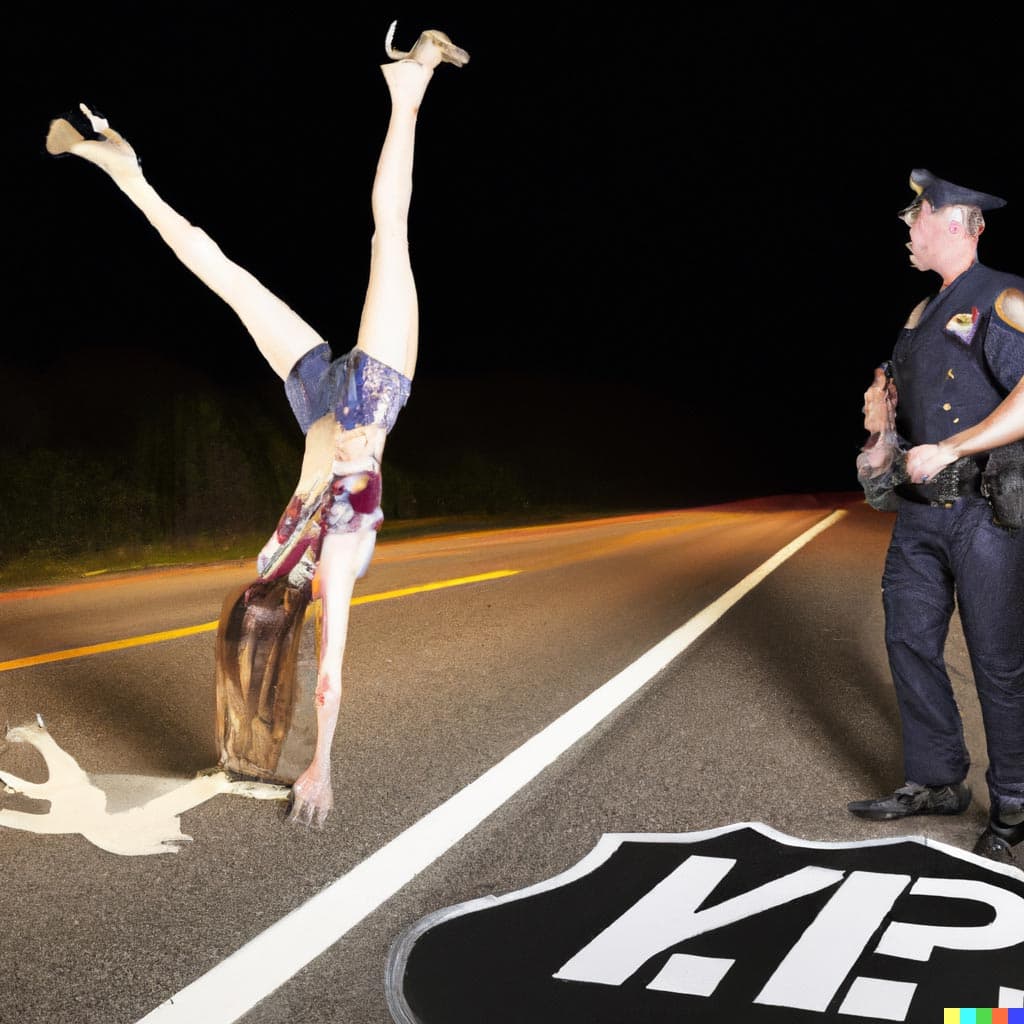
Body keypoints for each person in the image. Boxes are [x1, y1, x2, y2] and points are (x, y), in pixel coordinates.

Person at [45, 23, 470, 828]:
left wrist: (323, 763)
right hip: (335, 400)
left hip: (355, 399)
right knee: (237, 271)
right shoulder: (278, 562)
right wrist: (317, 761)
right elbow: (306, 667)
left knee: (358, 242)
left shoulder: (322, 557)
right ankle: (125, 169)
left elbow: (325, 674)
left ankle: (405, 88)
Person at [849, 168, 1024, 866]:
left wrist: (953, 445)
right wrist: (877, 437)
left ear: (956, 222)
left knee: (999, 664)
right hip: (920, 517)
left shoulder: (1003, 299)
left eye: (915, 213)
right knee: (910, 643)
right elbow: (894, 421)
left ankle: (1012, 804)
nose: (906, 225)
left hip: (985, 512)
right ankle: (936, 780)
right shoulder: (920, 317)